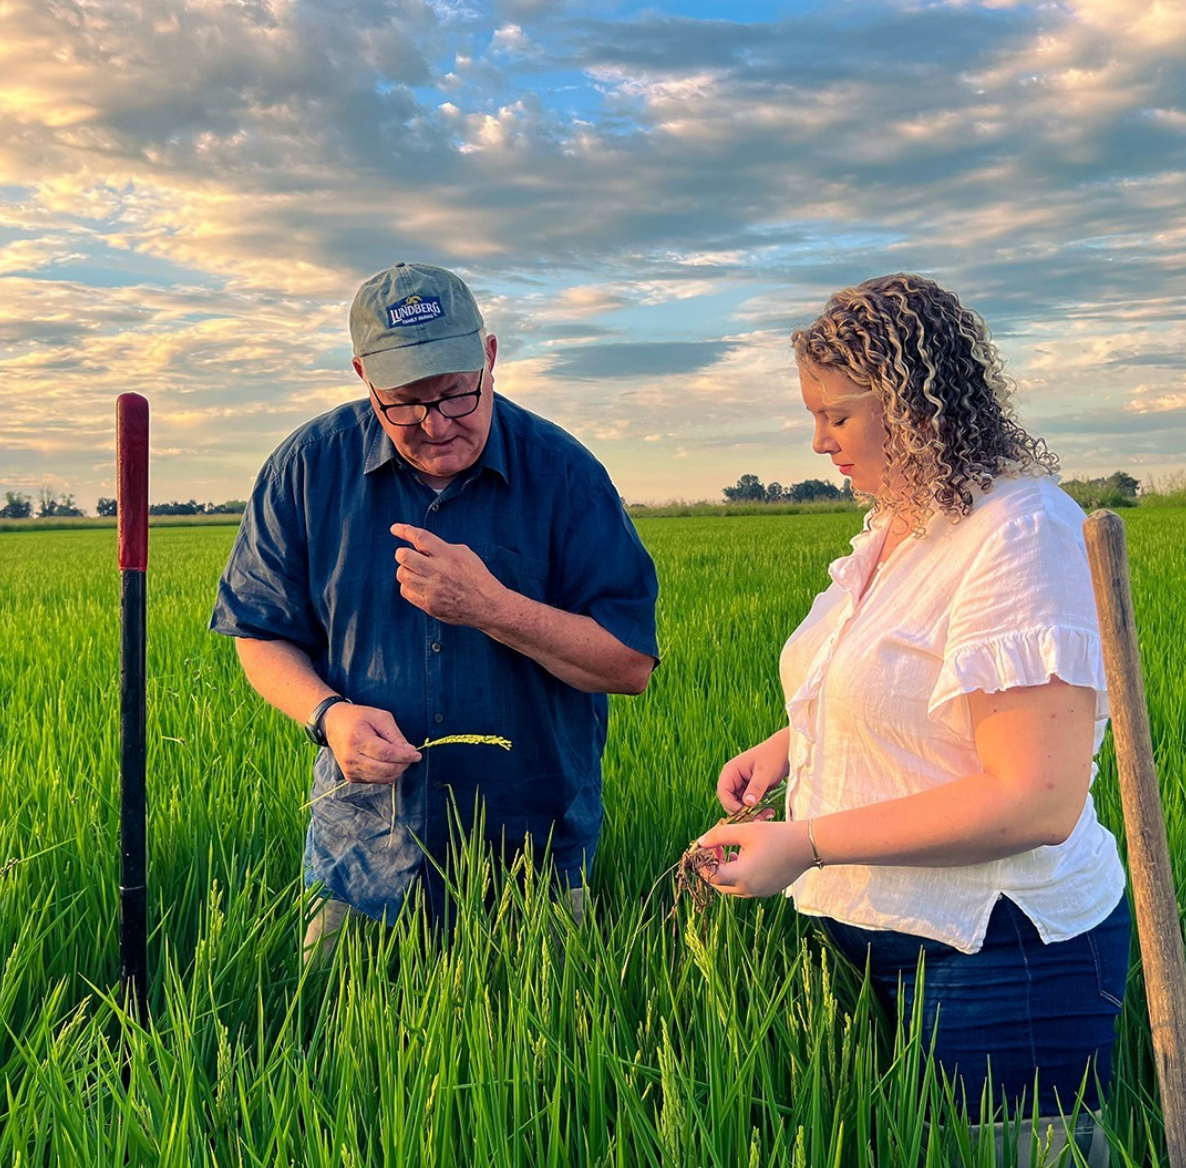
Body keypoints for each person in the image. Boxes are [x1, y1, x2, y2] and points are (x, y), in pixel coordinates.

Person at [698, 274, 1129, 1162]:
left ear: (912, 397)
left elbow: (1034, 800)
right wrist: (791, 745)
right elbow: (899, 682)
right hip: (878, 930)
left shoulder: (1016, 531)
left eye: (837, 416)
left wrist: (806, 840)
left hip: (1002, 950)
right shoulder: (899, 526)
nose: (819, 443)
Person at [210, 261, 659, 956]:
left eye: (455, 395)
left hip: (530, 861)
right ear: (364, 377)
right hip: (358, 859)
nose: (436, 424)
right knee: (331, 1050)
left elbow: (628, 663)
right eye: (405, 403)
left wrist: (493, 608)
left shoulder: (566, 477)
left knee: (547, 1057)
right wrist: (328, 717)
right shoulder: (307, 470)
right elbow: (260, 634)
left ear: (489, 357)